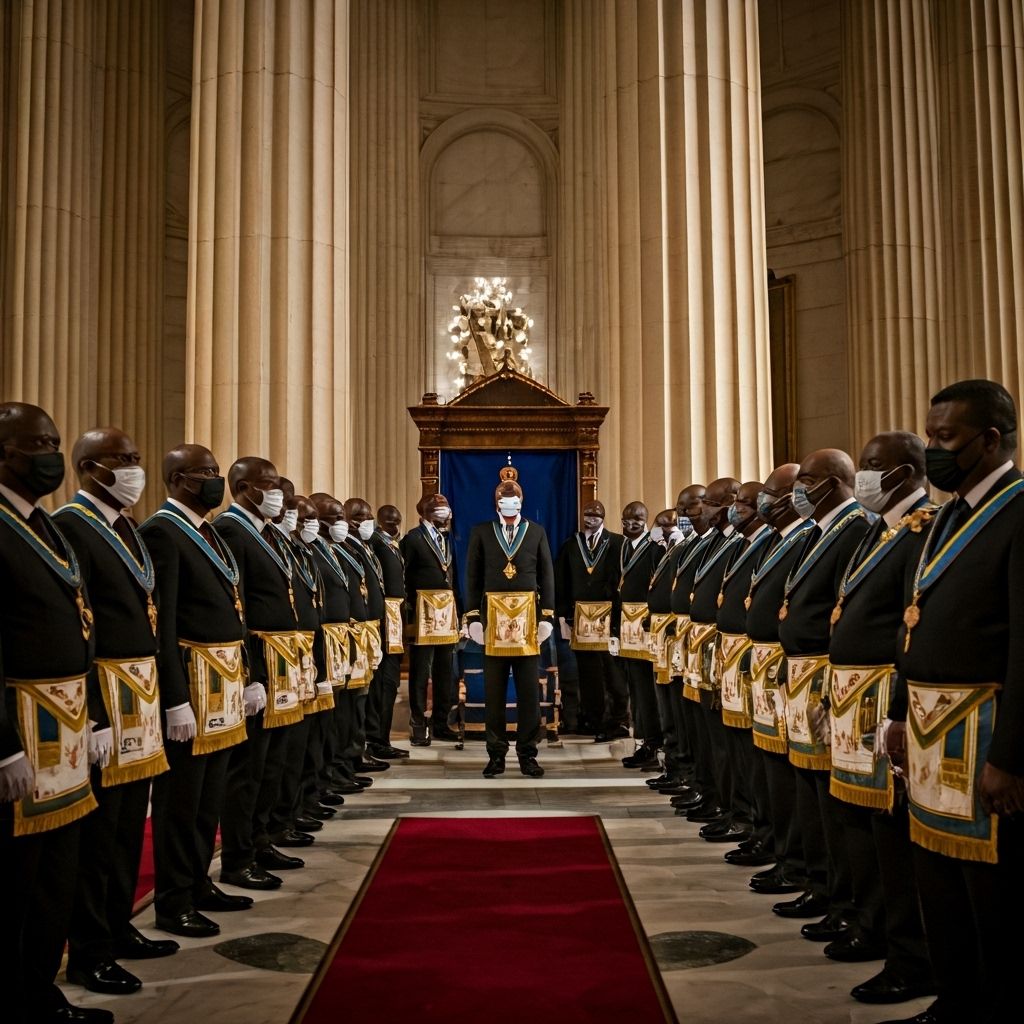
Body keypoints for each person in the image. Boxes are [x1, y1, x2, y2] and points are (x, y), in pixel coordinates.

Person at [888, 379, 1024, 1024]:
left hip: (985, 729)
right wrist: (893, 712)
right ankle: (955, 998)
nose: (934, 451)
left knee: (989, 889)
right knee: (936, 874)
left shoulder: (1019, 512)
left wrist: (1013, 755)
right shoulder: (945, 514)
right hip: (925, 725)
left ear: (990, 440)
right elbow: (911, 620)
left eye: (946, 439)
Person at [0, 401, 112, 1024]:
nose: (49, 453)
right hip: (21, 723)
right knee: (18, 876)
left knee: (57, 869)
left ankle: (40, 990)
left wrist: (92, 715)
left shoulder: (47, 526)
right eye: (35, 443)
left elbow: (81, 627)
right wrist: (3, 744)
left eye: (53, 441)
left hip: (68, 718)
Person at [57, 428, 175, 996]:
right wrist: (97, 714)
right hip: (105, 691)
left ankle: (119, 925)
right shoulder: (71, 527)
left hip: (141, 690)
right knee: (100, 833)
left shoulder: (126, 526)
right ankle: (89, 949)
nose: (133, 468)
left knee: (129, 823)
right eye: (120, 460)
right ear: (87, 468)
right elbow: (82, 623)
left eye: (135, 458)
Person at [827, 432, 935, 1004]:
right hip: (851, 695)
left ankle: (910, 957)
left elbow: (909, 624)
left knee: (890, 834)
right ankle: (869, 926)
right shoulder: (878, 529)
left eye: (872, 466)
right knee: (860, 824)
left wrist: (896, 709)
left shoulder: (920, 529)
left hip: (882, 697)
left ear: (905, 472)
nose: (863, 477)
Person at [141, 444, 252, 936]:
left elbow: (235, 609)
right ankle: (173, 900)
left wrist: (247, 673)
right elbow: (161, 622)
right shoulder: (163, 532)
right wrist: (175, 696)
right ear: (179, 478)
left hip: (224, 682)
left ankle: (199, 883)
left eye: (215, 471)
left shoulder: (209, 533)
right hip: (192, 680)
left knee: (210, 797)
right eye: (206, 472)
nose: (215, 479)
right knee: (181, 802)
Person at [776, 449, 871, 944]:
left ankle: (844, 898)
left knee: (833, 800)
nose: (797, 492)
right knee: (808, 790)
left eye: (805, 480)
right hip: (802, 673)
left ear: (831, 483)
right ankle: (819, 885)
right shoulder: (819, 530)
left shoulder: (855, 527)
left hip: (827, 676)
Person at [216, 458, 305, 889]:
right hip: (259, 658)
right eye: (269, 485)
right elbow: (239, 604)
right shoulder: (233, 529)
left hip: (283, 658)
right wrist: (250, 673)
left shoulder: (266, 531)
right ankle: (238, 856)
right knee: (249, 768)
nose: (279, 494)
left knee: (273, 761)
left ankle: (262, 837)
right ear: (244, 486)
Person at [743, 464, 816, 888]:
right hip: (765, 664)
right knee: (765, 766)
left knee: (795, 778)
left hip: (801, 670)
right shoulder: (777, 539)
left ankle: (805, 868)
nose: (754, 505)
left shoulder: (810, 536)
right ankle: (778, 847)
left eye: (771, 492)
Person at [465, 476, 555, 779]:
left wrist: (547, 617)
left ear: (522, 500)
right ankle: (496, 753)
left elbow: (547, 575)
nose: (508, 498)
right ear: (496, 501)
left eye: (513, 494)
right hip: (493, 623)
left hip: (528, 625)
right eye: (503, 495)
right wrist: (473, 617)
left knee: (529, 693)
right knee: (495, 692)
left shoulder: (537, 532)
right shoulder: (481, 533)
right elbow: (472, 577)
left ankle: (528, 753)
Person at [710, 480, 774, 849]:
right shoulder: (740, 543)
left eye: (744, 504)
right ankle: (737, 812)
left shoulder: (769, 541)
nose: (738, 510)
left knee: (752, 752)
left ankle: (755, 824)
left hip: (759, 658)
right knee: (730, 745)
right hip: (731, 652)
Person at [685, 477, 746, 838]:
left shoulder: (739, 542)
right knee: (708, 735)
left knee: (726, 741)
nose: (701, 509)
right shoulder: (716, 543)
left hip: (728, 649)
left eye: (708, 502)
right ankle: (717, 797)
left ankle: (736, 809)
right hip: (706, 647)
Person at [554, 500, 629, 741]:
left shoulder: (617, 543)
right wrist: (564, 612)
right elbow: (561, 580)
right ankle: (591, 718)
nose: (591, 519)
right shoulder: (571, 545)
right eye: (587, 515)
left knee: (611, 671)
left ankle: (615, 719)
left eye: (596, 515)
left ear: (604, 517)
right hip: (580, 617)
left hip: (608, 617)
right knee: (586, 671)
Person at [401, 494, 460, 745]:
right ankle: (418, 722)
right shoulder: (413, 539)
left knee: (445, 669)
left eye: (446, 509)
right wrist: (410, 611)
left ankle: (441, 721)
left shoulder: (446, 540)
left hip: (446, 613)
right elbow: (403, 576)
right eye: (440, 510)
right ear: (426, 512)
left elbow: (452, 578)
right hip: (423, 613)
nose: (446, 514)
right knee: (421, 669)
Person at [342, 497, 389, 773]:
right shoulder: (345, 548)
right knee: (356, 699)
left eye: (369, 515)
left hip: (370, 629)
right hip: (354, 631)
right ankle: (352, 754)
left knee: (366, 696)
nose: (367, 521)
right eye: (360, 516)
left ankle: (361, 749)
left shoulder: (365, 547)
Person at [614, 500, 661, 769]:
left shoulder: (654, 549)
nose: (631, 523)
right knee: (635, 688)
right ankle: (642, 740)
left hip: (644, 627)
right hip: (626, 629)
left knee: (648, 690)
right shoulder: (623, 547)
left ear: (646, 520)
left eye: (637, 519)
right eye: (627, 518)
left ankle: (654, 744)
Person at [644, 509, 687, 787]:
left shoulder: (686, 547)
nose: (668, 528)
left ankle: (683, 770)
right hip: (661, 636)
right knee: (666, 705)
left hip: (679, 637)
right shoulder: (661, 549)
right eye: (663, 524)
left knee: (679, 707)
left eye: (673, 524)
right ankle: (673, 765)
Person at [366, 504, 409, 760]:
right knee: (383, 683)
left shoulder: (393, 546)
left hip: (396, 618)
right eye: (388, 522)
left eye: (397, 522)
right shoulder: (376, 544)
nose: (393, 527)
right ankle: (375, 739)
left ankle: (382, 736)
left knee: (390, 682)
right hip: (384, 620)